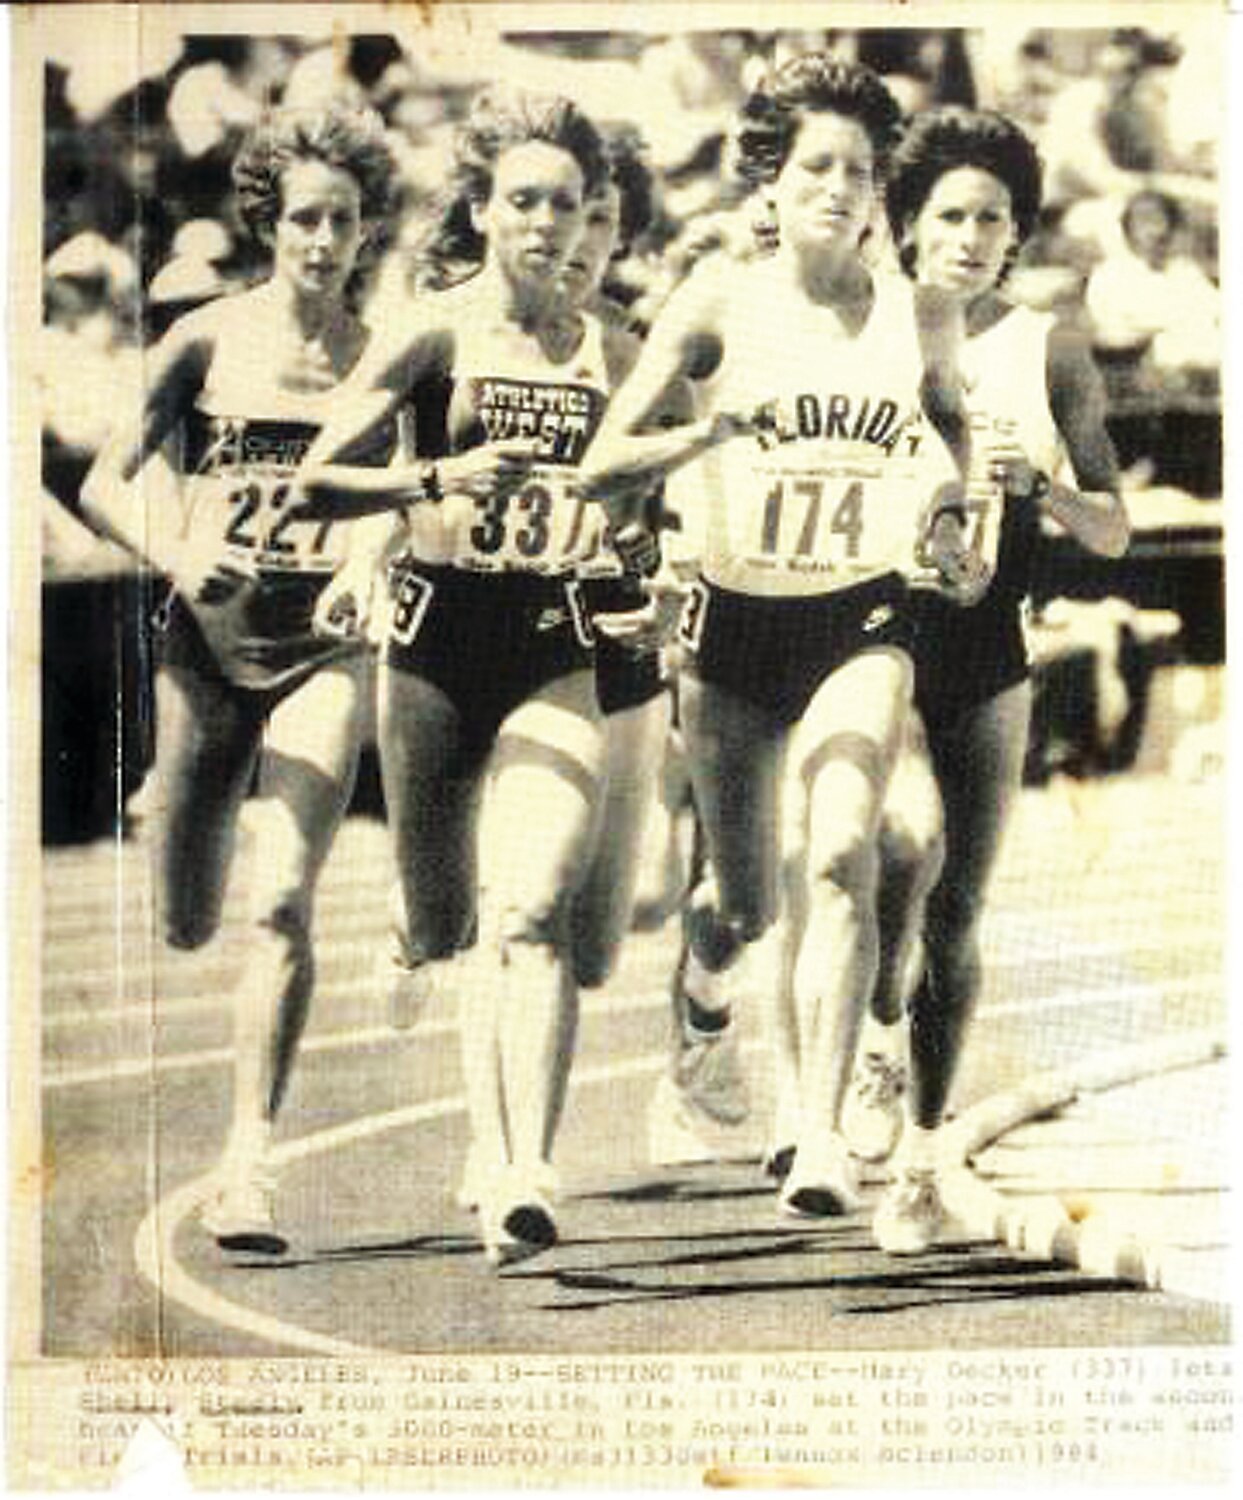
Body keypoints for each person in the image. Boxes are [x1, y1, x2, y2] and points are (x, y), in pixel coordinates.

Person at [581, 54, 979, 1220]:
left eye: (861, 172)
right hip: (732, 625)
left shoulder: (922, 308)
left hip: (858, 611)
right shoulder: (718, 297)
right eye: (818, 166)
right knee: (746, 904)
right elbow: (606, 460)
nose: (841, 189)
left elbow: (949, 431)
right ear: (772, 176)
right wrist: (707, 437)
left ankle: (814, 1133)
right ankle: (706, 1002)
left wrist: (954, 513)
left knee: (845, 847)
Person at [298, 88, 633, 1267]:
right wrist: (430, 484)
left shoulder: (617, 350)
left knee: (531, 910)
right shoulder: (433, 332)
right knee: (448, 921)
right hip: (437, 648)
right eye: (525, 201)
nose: (547, 224)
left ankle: (518, 1167)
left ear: (594, 216)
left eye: (569, 204)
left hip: (551, 644)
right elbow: (317, 481)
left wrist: (653, 530)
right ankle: (407, 927)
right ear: (485, 213)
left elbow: (667, 488)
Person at [81, 101, 399, 1253]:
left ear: (369, 231)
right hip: (206, 651)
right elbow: (104, 484)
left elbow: (406, 496)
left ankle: (247, 1165)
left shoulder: (386, 356)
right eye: (305, 218)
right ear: (270, 221)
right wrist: (178, 548)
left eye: (345, 221)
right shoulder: (207, 339)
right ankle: (174, 818)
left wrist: (368, 557)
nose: (323, 241)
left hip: (325, 648)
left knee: (281, 901)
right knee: (186, 919)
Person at [843, 106, 1129, 1253]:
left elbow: (1110, 530)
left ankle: (918, 1154)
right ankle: (870, 1031)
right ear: (905, 226)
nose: (969, 236)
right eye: (948, 216)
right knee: (898, 847)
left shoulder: (1048, 344)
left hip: (986, 645)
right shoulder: (858, 331)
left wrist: (1044, 491)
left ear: (1017, 233)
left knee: (956, 905)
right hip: (866, 628)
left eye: (992, 218)